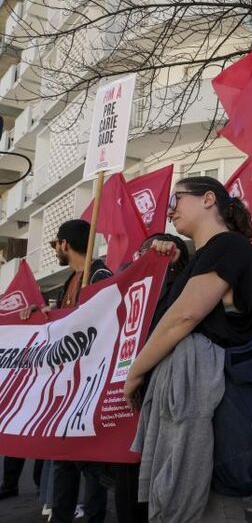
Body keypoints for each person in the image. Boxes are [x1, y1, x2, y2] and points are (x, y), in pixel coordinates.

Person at [125, 176, 252, 522]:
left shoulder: (228, 246)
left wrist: (135, 372)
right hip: (200, 398)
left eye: (177, 199)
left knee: (209, 506)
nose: (170, 209)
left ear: (207, 200)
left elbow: (184, 317)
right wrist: (170, 265)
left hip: (211, 403)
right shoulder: (201, 257)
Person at [37, 220, 114, 523]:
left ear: (65, 244)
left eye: (55, 243)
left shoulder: (99, 275)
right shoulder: (72, 280)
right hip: (67, 387)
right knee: (64, 461)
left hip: (90, 385)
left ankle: (94, 517)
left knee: (91, 462)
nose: (55, 249)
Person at [111, 233, 190, 523]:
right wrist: (46, 317)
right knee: (129, 488)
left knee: (162, 486)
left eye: (154, 253)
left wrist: (167, 263)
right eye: (142, 252)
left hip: (164, 401)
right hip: (123, 407)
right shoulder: (126, 292)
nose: (148, 257)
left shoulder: (180, 293)